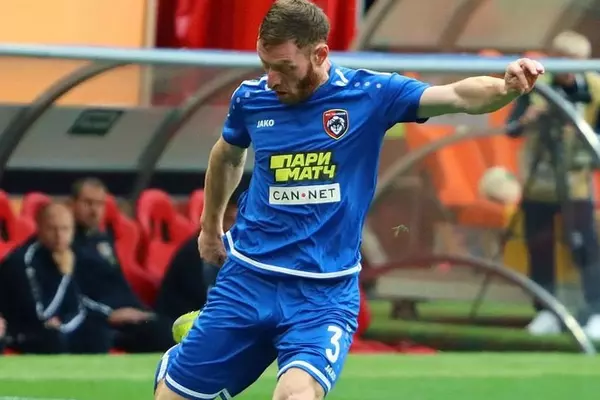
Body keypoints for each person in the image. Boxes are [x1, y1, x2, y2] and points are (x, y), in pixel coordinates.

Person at [154, 1, 544, 399]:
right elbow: (227, 155)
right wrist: (209, 228)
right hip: (249, 278)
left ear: (319, 54)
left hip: (323, 293)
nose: (272, 79)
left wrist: (505, 88)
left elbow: (458, 95)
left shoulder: (370, 94)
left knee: (295, 395)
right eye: (265, 65)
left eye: (284, 67)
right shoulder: (251, 98)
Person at [507, 31, 600, 338]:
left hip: (577, 183)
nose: (570, 70)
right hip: (539, 181)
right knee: (540, 246)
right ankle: (546, 310)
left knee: (585, 248)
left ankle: (595, 312)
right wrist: (529, 118)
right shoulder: (536, 87)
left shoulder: (595, 89)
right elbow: (511, 129)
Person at [70, 177, 174, 352]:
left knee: (170, 328)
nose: (94, 210)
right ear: (72, 204)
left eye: (99, 204)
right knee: (161, 335)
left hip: (129, 313)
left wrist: (139, 309)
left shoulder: (102, 239)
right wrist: (108, 314)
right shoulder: (66, 243)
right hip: (101, 320)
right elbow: (71, 292)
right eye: (88, 203)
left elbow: (118, 283)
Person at [0, 203, 115, 354]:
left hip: (57, 327)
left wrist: (64, 325)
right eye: (52, 229)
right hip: (24, 331)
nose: (59, 236)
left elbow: (77, 307)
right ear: (40, 229)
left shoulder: (70, 254)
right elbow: (41, 314)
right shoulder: (23, 262)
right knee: (53, 339)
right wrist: (64, 276)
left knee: (99, 334)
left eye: (65, 229)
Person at [155, 193, 240, 322]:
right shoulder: (197, 252)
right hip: (185, 321)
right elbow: (208, 300)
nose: (236, 227)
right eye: (230, 220)